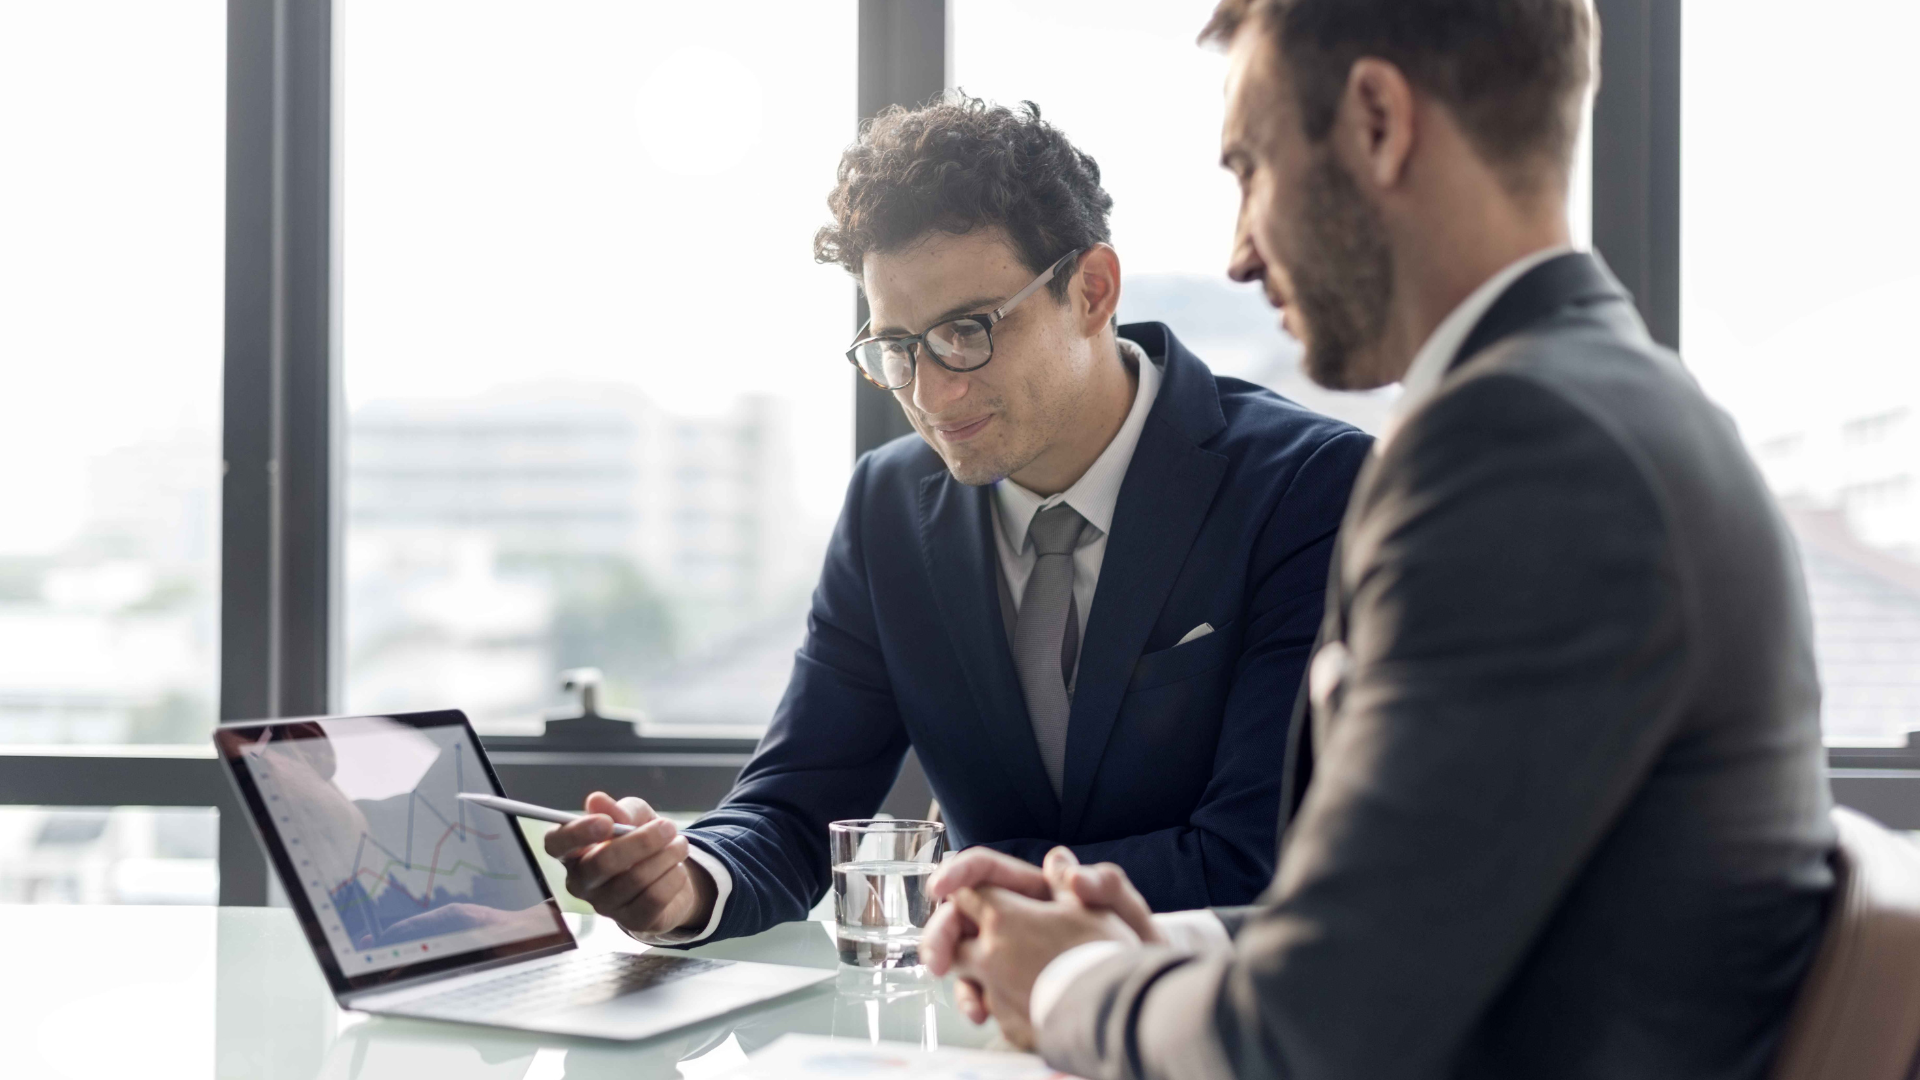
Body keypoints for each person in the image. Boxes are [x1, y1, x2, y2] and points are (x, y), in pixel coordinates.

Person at [921, 2, 1837, 1077]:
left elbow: (1315, 1036)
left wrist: (1066, 984)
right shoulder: (1609, 404)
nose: (1238, 256)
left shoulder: (1520, 453)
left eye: (1249, 169)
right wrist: (1154, 941)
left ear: (1377, 122)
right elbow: (1415, 922)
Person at [540, 97, 1373, 945]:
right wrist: (685, 881)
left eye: (968, 331)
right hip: (974, 1026)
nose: (934, 394)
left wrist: (969, 891)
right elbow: (793, 805)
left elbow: (1257, 859)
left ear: (1091, 290)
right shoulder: (887, 507)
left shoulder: (1308, 489)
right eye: (897, 348)